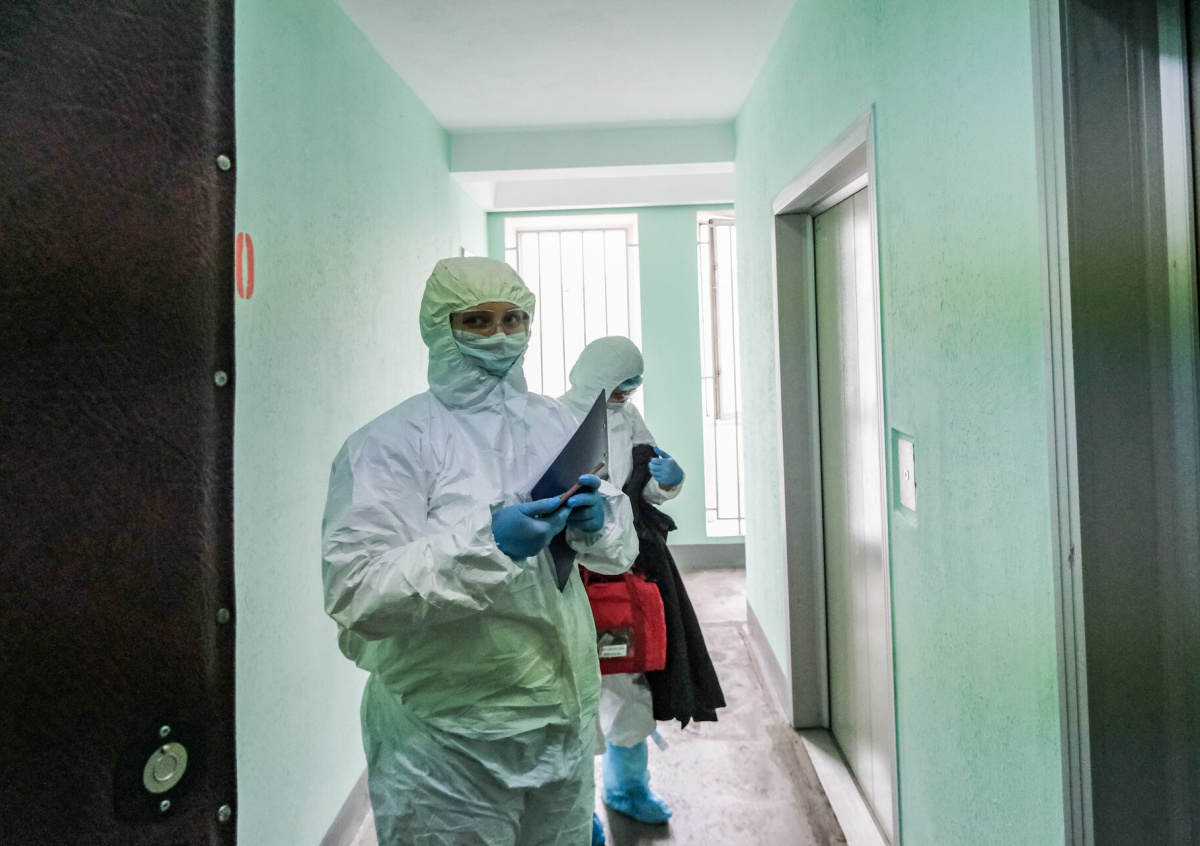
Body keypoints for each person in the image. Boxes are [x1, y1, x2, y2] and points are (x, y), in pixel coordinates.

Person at [321, 258, 639, 846]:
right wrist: (489, 545)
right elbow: (356, 590)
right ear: (440, 327)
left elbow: (615, 546)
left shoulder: (554, 421)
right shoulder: (388, 445)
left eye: (513, 319)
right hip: (448, 742)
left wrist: (600, 523)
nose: (500, 335)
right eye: (477, 321)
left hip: (563, 720)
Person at [558, 337, 697, 844]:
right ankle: (577, 811)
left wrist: (669, 481)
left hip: (627, 566)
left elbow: (647, 486)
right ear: (595, 377)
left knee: (629, 675)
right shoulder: (555, 419)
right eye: (620, 385)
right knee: (576, 689)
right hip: (569, 571)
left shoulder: (630, 418)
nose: (626, 394)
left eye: (633, 386)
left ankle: (627, 788)